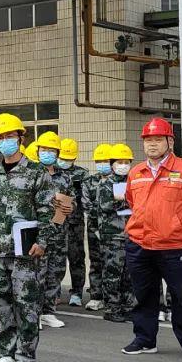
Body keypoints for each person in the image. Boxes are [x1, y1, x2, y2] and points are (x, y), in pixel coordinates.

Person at [122, 118, 182, 362]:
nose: (152, 144)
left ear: (170, 141)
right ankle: (144, 340)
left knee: (181, 297)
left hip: (174, 247)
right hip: (139, 245)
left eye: (158, 139)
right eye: (148, 140)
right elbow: (132, 202)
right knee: (144, 296)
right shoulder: (136, 172)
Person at [0, 113, 58, 362]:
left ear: (21, 138)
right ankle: (7, 354)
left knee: (26, 305)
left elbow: (48, 211)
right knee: (1, 305)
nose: (5, 142)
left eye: (10, 136)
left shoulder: (36, 172)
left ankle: (26, 358)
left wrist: (43, 241)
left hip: (25, 251)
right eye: (0, 138)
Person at [94, 143, 135, 324]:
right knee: (112, 272)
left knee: (128, 273)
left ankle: (127, 306)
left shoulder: (132, 181)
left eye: (127, 162)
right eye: (119, 162)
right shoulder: (106, 183)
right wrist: (126, 201)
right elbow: (106, 206)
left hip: (130, 234)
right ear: (112, 164)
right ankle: (112, 307)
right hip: (112, 235)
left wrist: (123, 201)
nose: (123, 165)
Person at [36, 131, 73, 329]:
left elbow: (71, 199)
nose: (47, 153)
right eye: (44, 149)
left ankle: (48, 312)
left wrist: (71, 207)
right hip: (39, 232)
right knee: (37, 273)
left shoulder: (65, 177)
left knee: (55, 272)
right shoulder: (32, 173)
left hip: (59, 231)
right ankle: (33, 313)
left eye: (51, 150)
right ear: (38, 151)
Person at [58, 139, 89, 307]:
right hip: (56, 222)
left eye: (68, 159)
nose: (64, 161)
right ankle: (54, 292)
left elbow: (86, 198)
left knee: (76, 257)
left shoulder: (82, 174)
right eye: (62, 158)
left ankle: (76, 292)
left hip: (75, 223)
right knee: (56, 258)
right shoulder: (50, 172)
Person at [82, 144, 113, 311]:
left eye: (105, 161)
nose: (102, 164)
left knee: (115, 264)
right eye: (99, 161)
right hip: (95, 229)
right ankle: (96, 296)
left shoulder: (121, 181)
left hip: (116, 230)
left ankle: (114, 297)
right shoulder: (89, 182)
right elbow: (87, 205)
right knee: (96, 262)